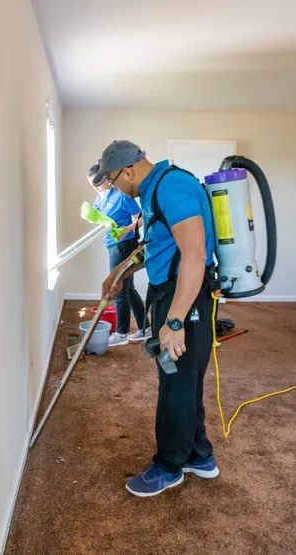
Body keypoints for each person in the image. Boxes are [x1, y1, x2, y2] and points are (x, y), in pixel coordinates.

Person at [95, 140, 219, 497]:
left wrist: (175, 322)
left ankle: (170, 465)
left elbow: (194, 257)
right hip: (172, 294)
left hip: (186, 299)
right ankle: (199, 454)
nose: (115, 189)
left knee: (175, 382)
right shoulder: (153, 190)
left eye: (114, 181)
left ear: (128, 171)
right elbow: (154, 245)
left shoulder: (172, 186)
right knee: (186, 379)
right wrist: (119, 272)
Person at [87, 163, 151, 346]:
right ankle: (145, 328)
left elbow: (141, 217)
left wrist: (128, 228)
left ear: (106, 179)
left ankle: (122, 333)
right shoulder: (99, 198)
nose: (94, 186)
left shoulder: (121, 196)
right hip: (111, 244)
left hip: (124, 244)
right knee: (128, 289)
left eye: (96, 182)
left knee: (118, 287)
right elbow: (99, 217)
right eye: (91, 183)